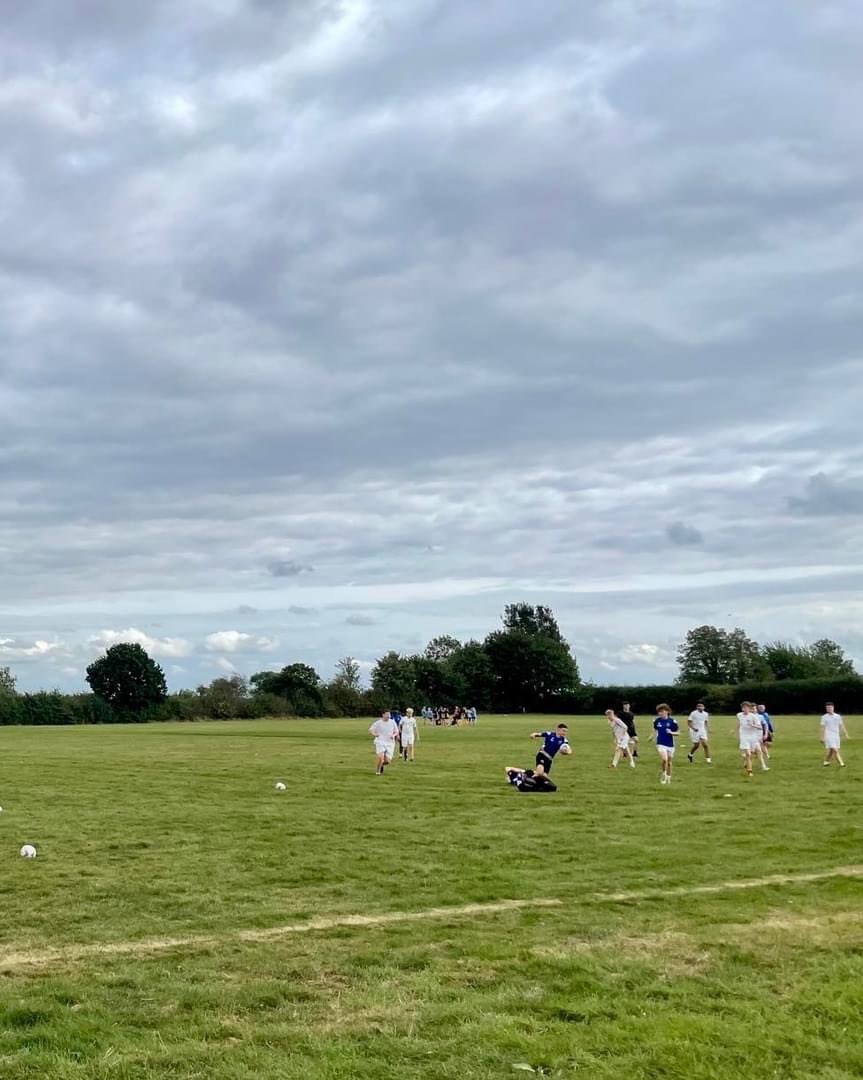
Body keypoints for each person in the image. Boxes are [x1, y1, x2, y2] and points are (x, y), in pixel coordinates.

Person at [735, 701, 768, 776]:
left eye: (747, 707)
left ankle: (747, 763)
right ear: (742, 708)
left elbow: (760, 727)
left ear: (749, 709)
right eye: (743, 707)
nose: (745, 709)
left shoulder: (754, 717)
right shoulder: (739, 715)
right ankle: (749, 771)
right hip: (744, 737)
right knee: (748, 754)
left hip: (753, 737)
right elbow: (740, 722)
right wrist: (735, 730)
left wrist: (753, 725)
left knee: (753, 753)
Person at [651, 703, 679, 785]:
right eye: (659, 712)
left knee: (669, 762)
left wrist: (671, 732)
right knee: (664, 759)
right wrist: (652, 736)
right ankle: (663, 774)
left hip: (670, 744)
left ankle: (668, 778)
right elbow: (655, 729)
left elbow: (678, 733)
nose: (660, 713)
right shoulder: (657, 721)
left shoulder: (672, 721)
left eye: (662, 711)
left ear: (667, 711)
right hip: (660, 743)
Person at [369, 710, 400, 775]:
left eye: (389, 715)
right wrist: (375, 734)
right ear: (383, 715)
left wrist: (393, 735)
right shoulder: (378, 723)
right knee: (380, 757)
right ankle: (378, 771)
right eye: (387, 714)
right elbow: (370, 729)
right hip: (380, 741)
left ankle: (381, 765)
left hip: (390, 743)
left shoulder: (392, 722)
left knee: (387, 761)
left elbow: (396, 731)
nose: (388, 716)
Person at [821, 703, 849, 767]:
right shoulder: (824, 717)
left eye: (830, 707)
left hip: (836, 735)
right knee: (835, 749)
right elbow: (823, 727)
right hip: (828, 735)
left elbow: (841, 725)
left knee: (831, 751)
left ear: (833, 707)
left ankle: (826, 761)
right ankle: (841, 763)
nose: (828, 709)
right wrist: (822, 737)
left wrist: (846, 734)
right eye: (827, 708)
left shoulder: (838, 716)